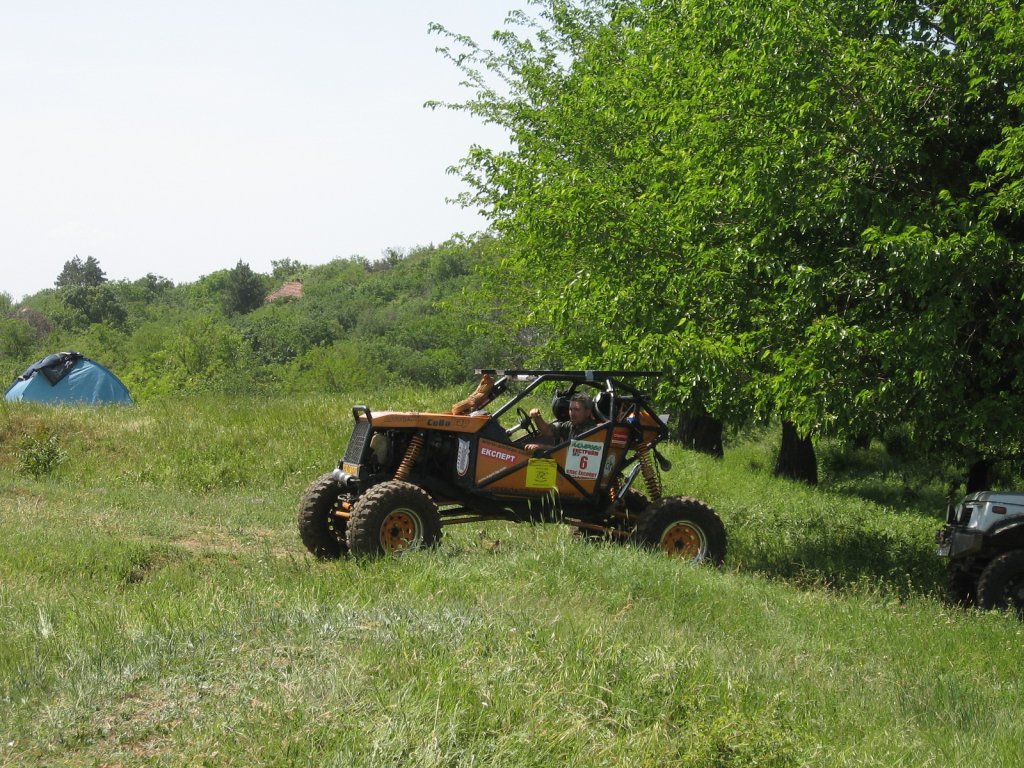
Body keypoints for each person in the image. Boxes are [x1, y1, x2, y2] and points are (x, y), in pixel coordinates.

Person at [524, 392, 598, 452]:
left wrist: (541, 447)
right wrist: (537, 417)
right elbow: (547, 430)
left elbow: (569, 452)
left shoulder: (593, 431)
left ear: (587, 412)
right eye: (570, 409)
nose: (572, 413)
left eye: (576, 409)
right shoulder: (571, 425)